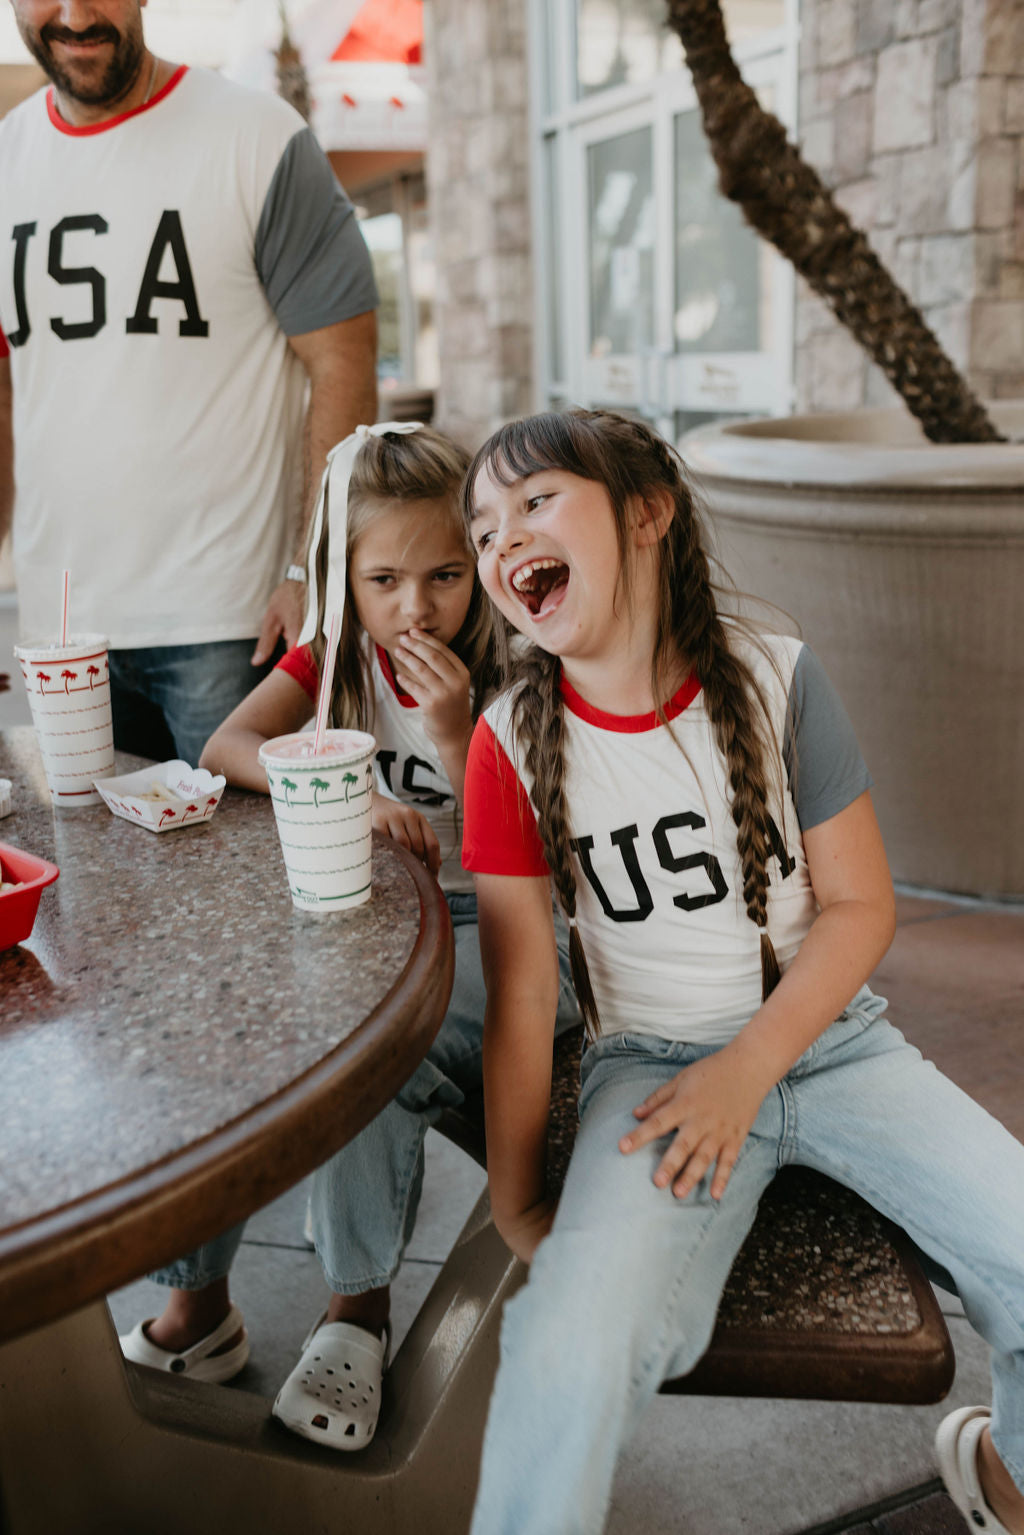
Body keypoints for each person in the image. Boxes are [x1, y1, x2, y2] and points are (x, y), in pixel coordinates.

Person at [459, 408, 1024, 1535]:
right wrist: (519, 1197)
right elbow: (524, 994)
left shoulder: (778, 679)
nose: (499, 538)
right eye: (480, 530)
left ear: (648, 514)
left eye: (532, 501)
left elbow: (862, 906)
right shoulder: (506, 743)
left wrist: (751, 1066)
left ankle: (1003, 1478)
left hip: (832, 1042)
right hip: (651, 1070)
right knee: (570, 1337)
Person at [116, 422, 580, 1451]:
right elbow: (225, 742)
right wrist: (347, 786)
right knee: (226, 1015)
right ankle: (201, 1307)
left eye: (446, 573)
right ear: (345, 578)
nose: (416, 607)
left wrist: (461, 739)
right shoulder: (334, 657)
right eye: (384, 580)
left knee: (367, 1056)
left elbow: (549, 847)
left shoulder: (519, 663)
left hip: (503, 936)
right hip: (369, 913)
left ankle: (355, 1308)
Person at [0, 0, 378, 766]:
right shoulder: (5, 159)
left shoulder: (257, 137)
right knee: (90, 882)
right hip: (59, 632)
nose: (74, 14)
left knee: (247, 880)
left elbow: (343, 359)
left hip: (230, 623)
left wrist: (312, 569)